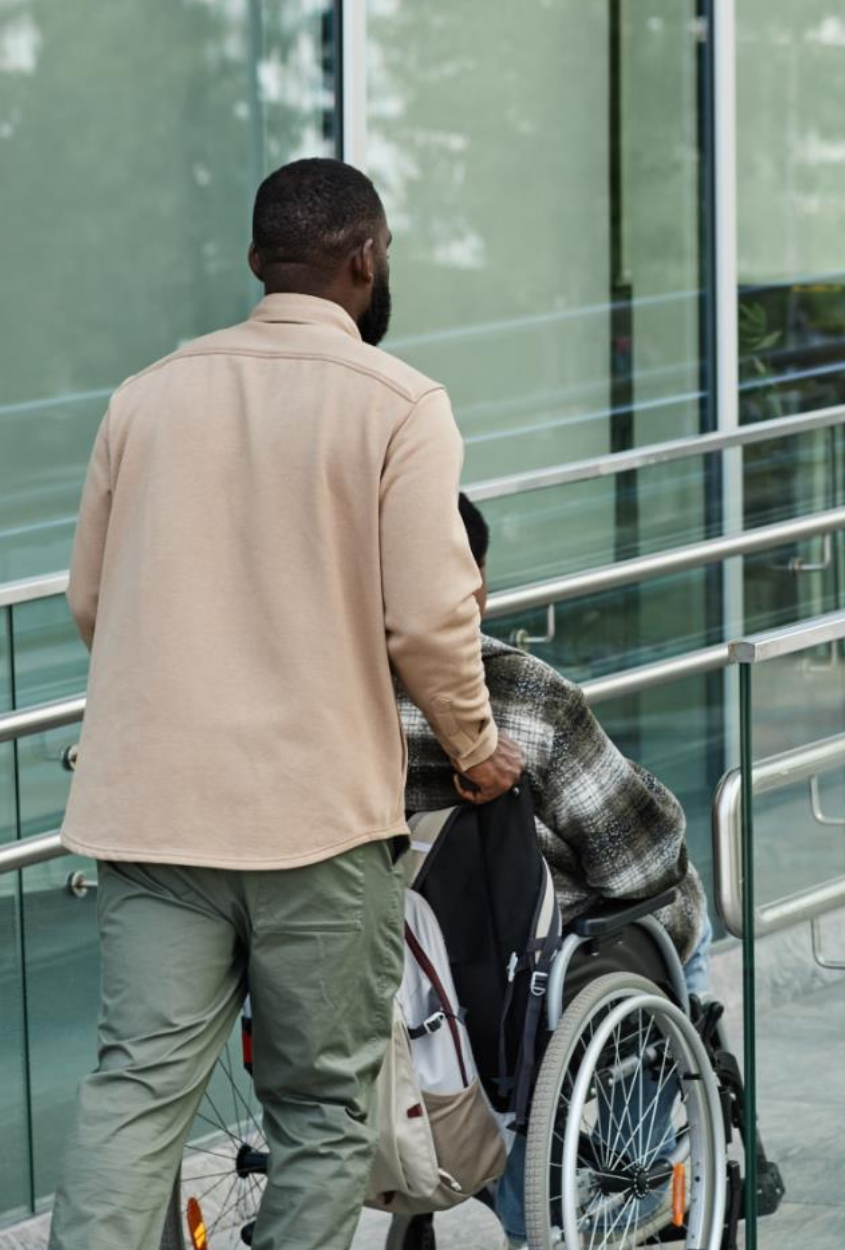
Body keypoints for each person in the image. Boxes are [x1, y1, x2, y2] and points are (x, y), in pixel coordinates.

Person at [50, 159, 522, 1250]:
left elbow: (92, 599)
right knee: (320, 1112)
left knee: (133, 1094)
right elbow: (428, 621)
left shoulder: (146, 395)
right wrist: (476, 746)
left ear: (259, 263)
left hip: (154, 811)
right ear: (366, 260)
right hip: (316, 821)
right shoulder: (401, 404)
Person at [390, 494, 711, 1250]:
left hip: (378, 963)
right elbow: (639, 856)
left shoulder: (325, 702)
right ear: (473, 582)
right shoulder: (521, 696)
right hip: (514, 978)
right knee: (681, 925)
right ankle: (632, 1181)